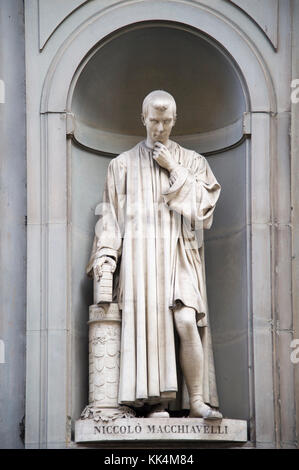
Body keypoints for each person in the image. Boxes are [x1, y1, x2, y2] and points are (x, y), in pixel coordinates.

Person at [87, 90, 222, 419]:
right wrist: (106, 259)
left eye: (165, 121)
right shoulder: (121, 165)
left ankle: (199, 401)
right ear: (142, 119)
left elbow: (204, 209)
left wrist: (173, 167)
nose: (159, 128)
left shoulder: (192, 161)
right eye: (154, 121)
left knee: (187, 320)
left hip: (180, 252)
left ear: (174, 120)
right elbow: (110, 219)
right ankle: (156, 403)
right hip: (141, 258)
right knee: (151, 327)